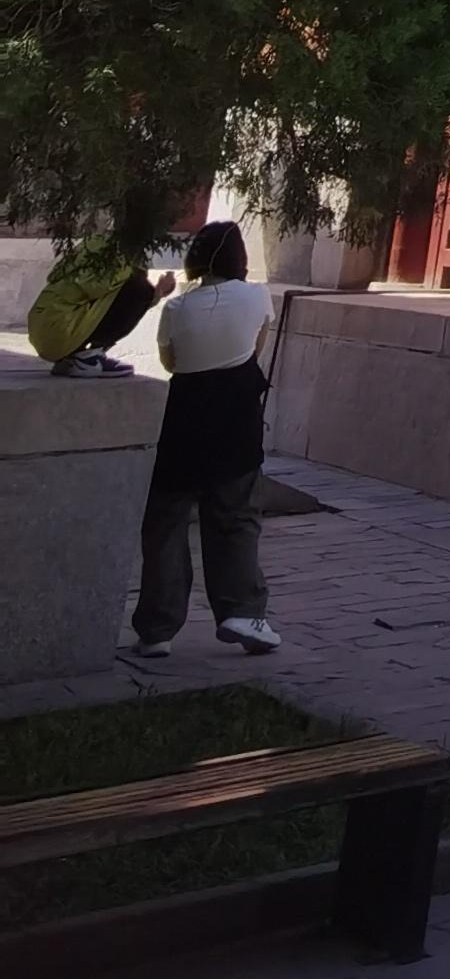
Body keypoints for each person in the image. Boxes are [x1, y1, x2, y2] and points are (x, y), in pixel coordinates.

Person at [131, 222, 281, 656]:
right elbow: (256, 348)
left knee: (166, 522)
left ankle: (157, 629)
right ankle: (242, 612)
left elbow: (171, 361)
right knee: (236, 516)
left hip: (183, 417)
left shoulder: (177, 307)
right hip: (236, 419)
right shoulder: (257, 296)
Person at [26, 232, 163, 376]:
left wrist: (156, 294)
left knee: (137, 287)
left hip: (48, 331)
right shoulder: (112, 250)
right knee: (139, 288)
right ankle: (88, 357)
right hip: (60, 330)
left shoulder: (94, 242)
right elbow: (96, 286)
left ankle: (73, 357)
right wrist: (134, 273)